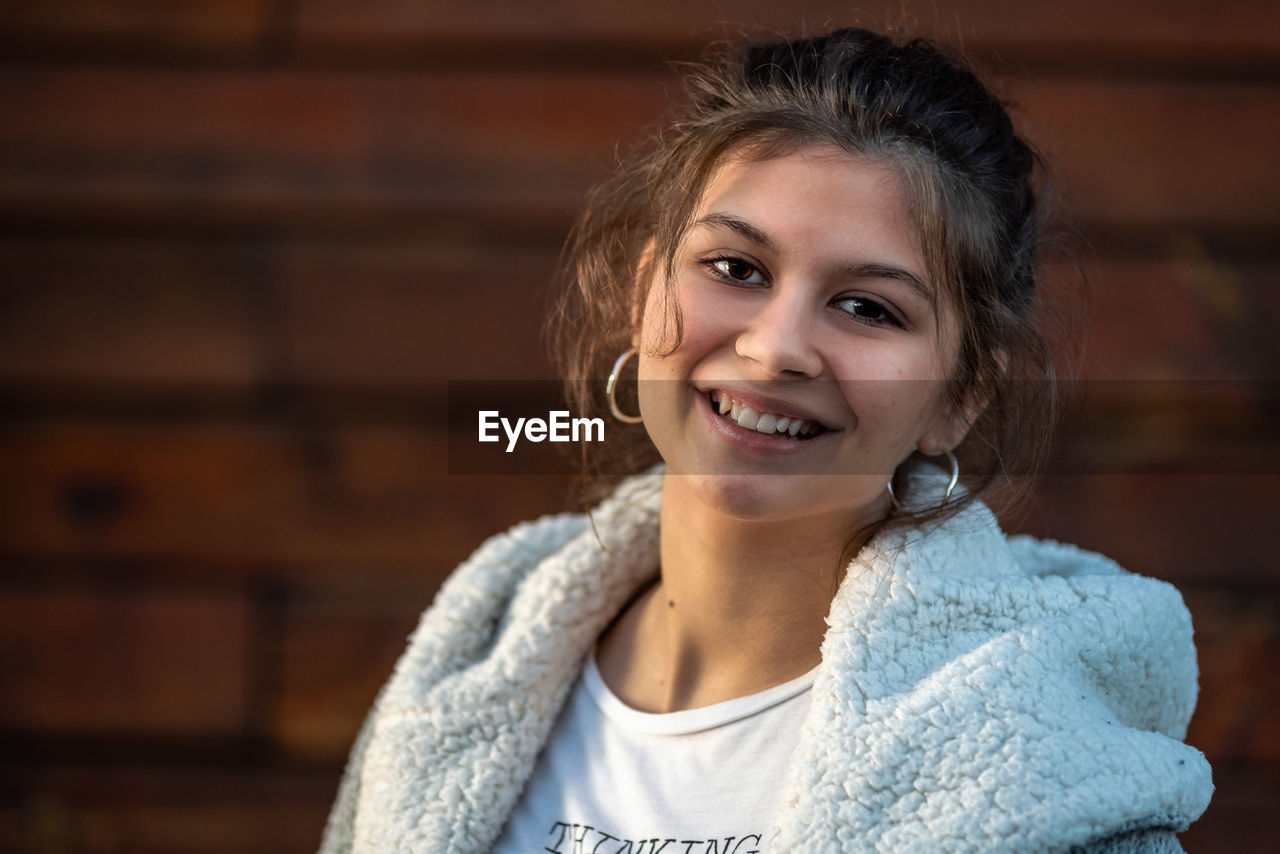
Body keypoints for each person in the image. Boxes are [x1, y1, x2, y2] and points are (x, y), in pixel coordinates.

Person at [319, 27, 1212, 853]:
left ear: (960, 397)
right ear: (643, 295)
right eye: (735, 269)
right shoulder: (467, 666)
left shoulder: (1038, 765)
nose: (776, 346)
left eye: (868, 307)